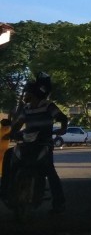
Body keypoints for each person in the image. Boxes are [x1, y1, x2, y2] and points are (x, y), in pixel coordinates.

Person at [0, 73, 68, 213]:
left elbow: (62, 118)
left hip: (44, 143)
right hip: (27, 143)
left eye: (28, 93)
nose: (25, 96)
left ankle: (59, 204)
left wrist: (63, 129)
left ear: (35, 93)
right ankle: (5, 191)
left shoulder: (48, 106)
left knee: (50, 172)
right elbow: (19, 124)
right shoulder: (27, 108)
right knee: (10, 157)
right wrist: (11, 133)